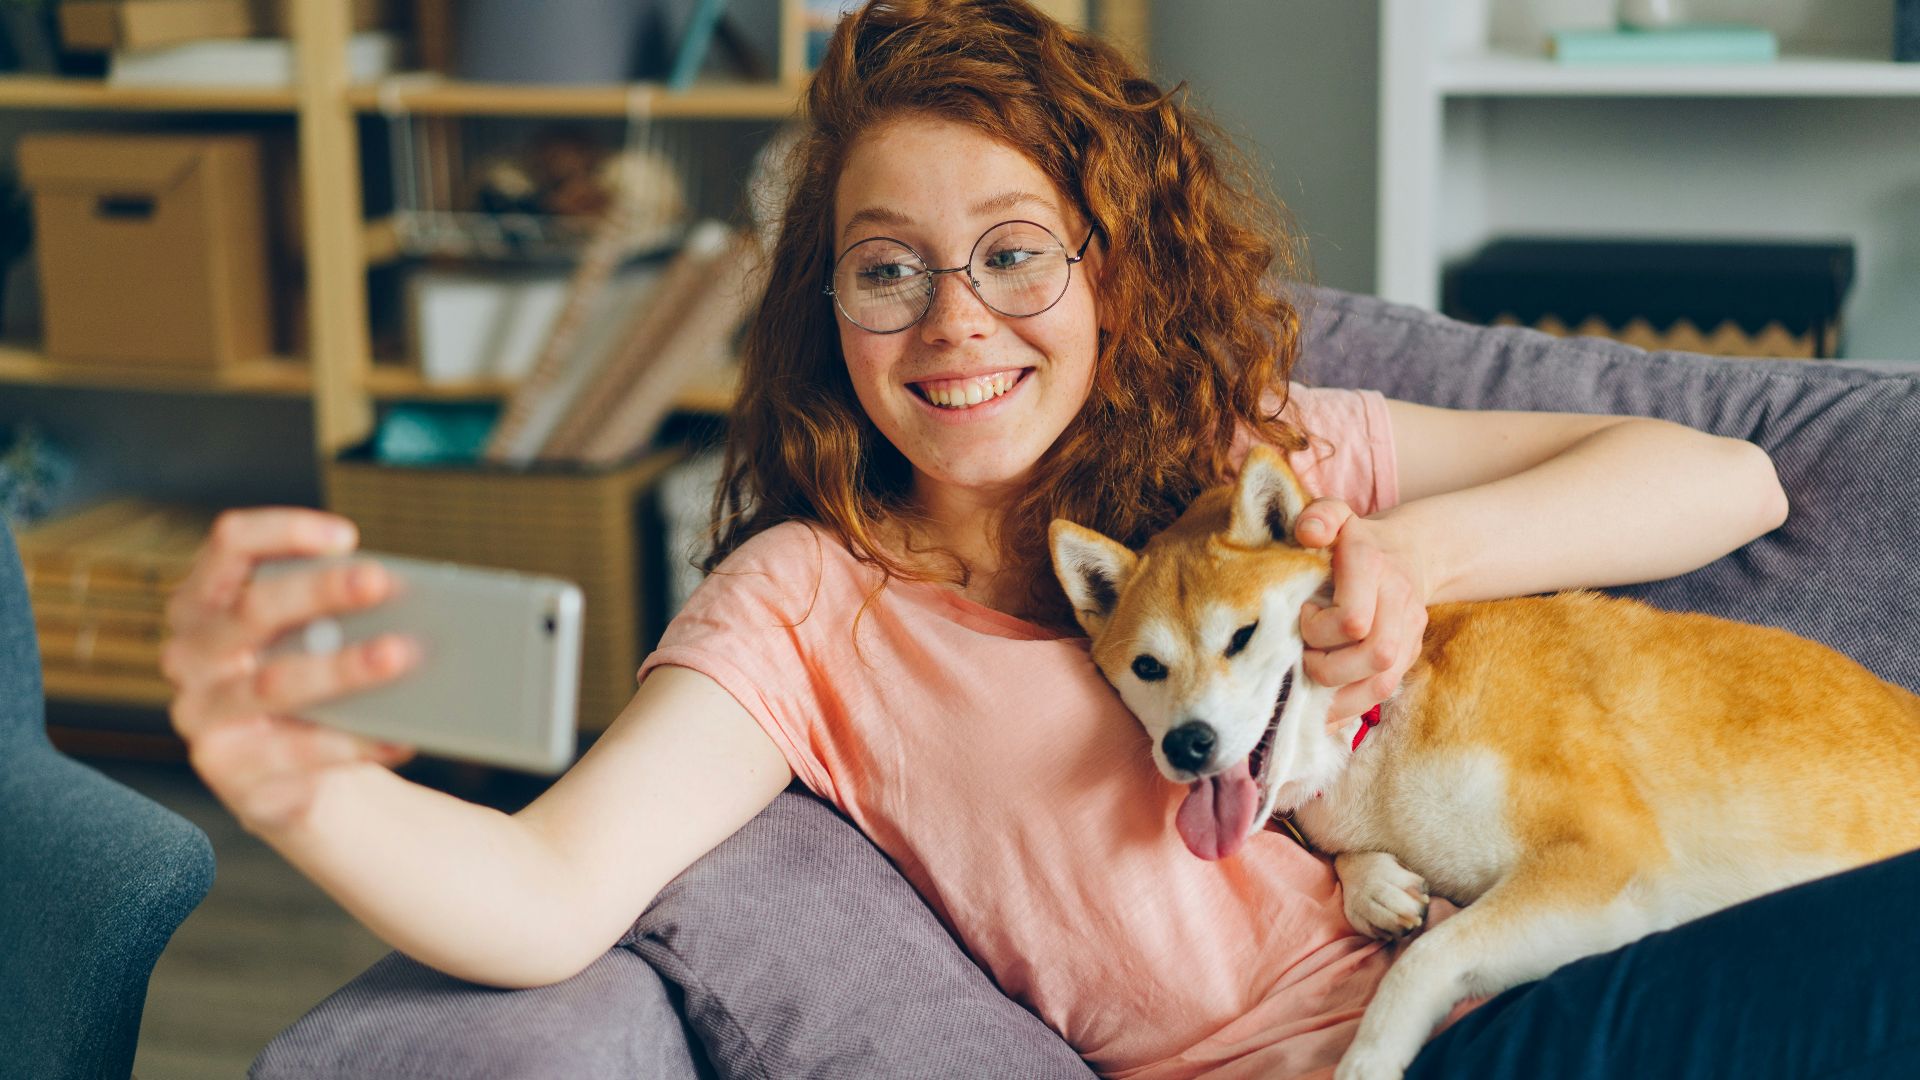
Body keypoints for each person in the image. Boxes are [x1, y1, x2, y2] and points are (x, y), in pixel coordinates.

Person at [161, 2, 1918, 1077]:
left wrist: (1408, 558)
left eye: (1013, 249)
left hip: (1555, 964)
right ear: (824, 310)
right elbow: (545, 898)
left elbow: (1726, 480)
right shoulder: (810, 606)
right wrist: (295, 787)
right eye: (885, 267)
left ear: (1103, 271)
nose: (954, 322)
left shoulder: (1254, 469)